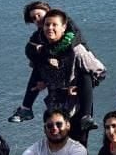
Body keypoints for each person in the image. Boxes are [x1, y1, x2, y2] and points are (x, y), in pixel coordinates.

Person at [33, 9, 105, 143]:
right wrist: (44, 81)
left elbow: (100, 71)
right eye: (47, 25)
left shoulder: (76, 50)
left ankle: (87, 117)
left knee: (78, 149)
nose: (50, 28)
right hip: (55, 105)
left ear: (64, 27)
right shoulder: (42, 49)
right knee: (57, 147)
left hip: (77, 107)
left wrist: (80, 87)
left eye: (55, 25)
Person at [9, 1, 85, 123]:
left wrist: (47, 51)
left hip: (74, 83)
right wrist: (45, 58)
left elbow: (75, 41)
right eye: (33, 18)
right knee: (56, 127)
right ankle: (26, 107)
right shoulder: (39, 34)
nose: (37, 19)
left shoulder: (66, 24)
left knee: (76, 130)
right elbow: (29, 50)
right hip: (55, 89)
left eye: (39, 15)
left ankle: (26, 107)